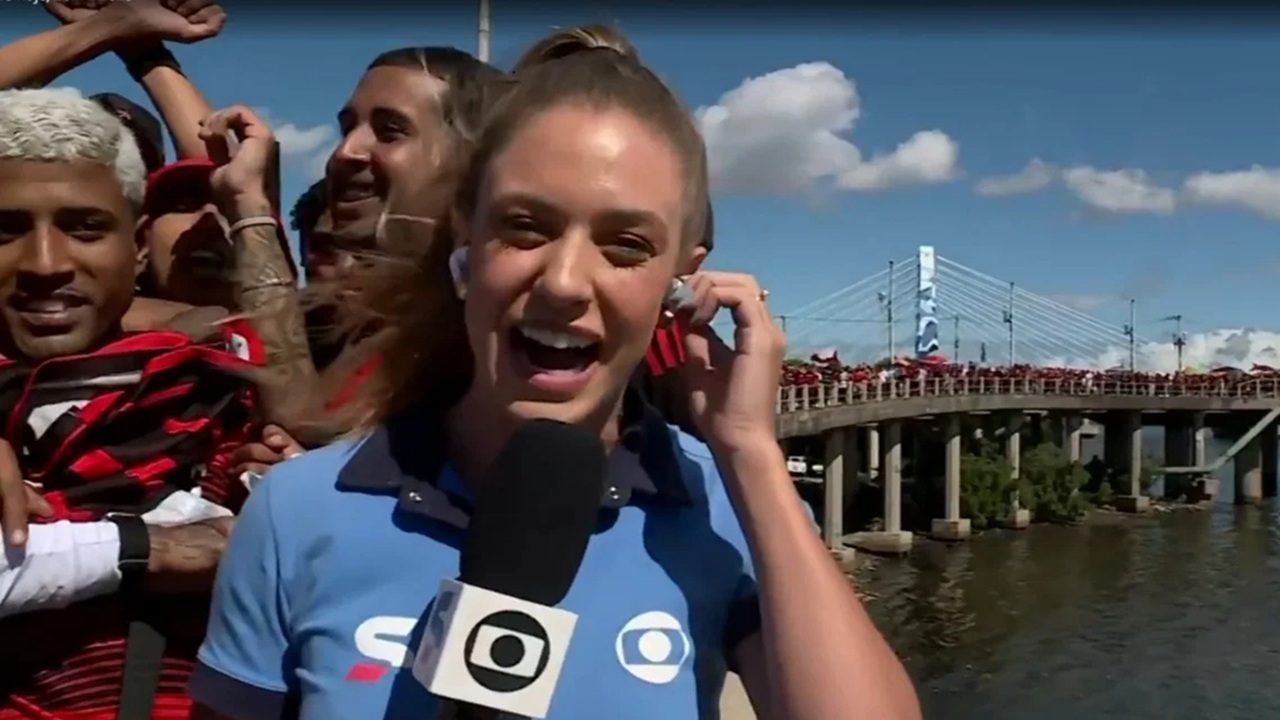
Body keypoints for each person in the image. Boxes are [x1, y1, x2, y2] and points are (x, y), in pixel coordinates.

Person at [190, 26, 920, 720]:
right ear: (466, 244)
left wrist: (750, 454)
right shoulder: (298, 513)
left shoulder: (714, 503)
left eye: (627, 244)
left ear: (682, 280)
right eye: (526, 227)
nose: (566, 282)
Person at [0, 87, 271, 719]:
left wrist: (252, 207)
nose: (45, 263)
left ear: (140, 244)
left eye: (85, 227)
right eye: (6, 230)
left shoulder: (214, 392)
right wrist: (154, 547)